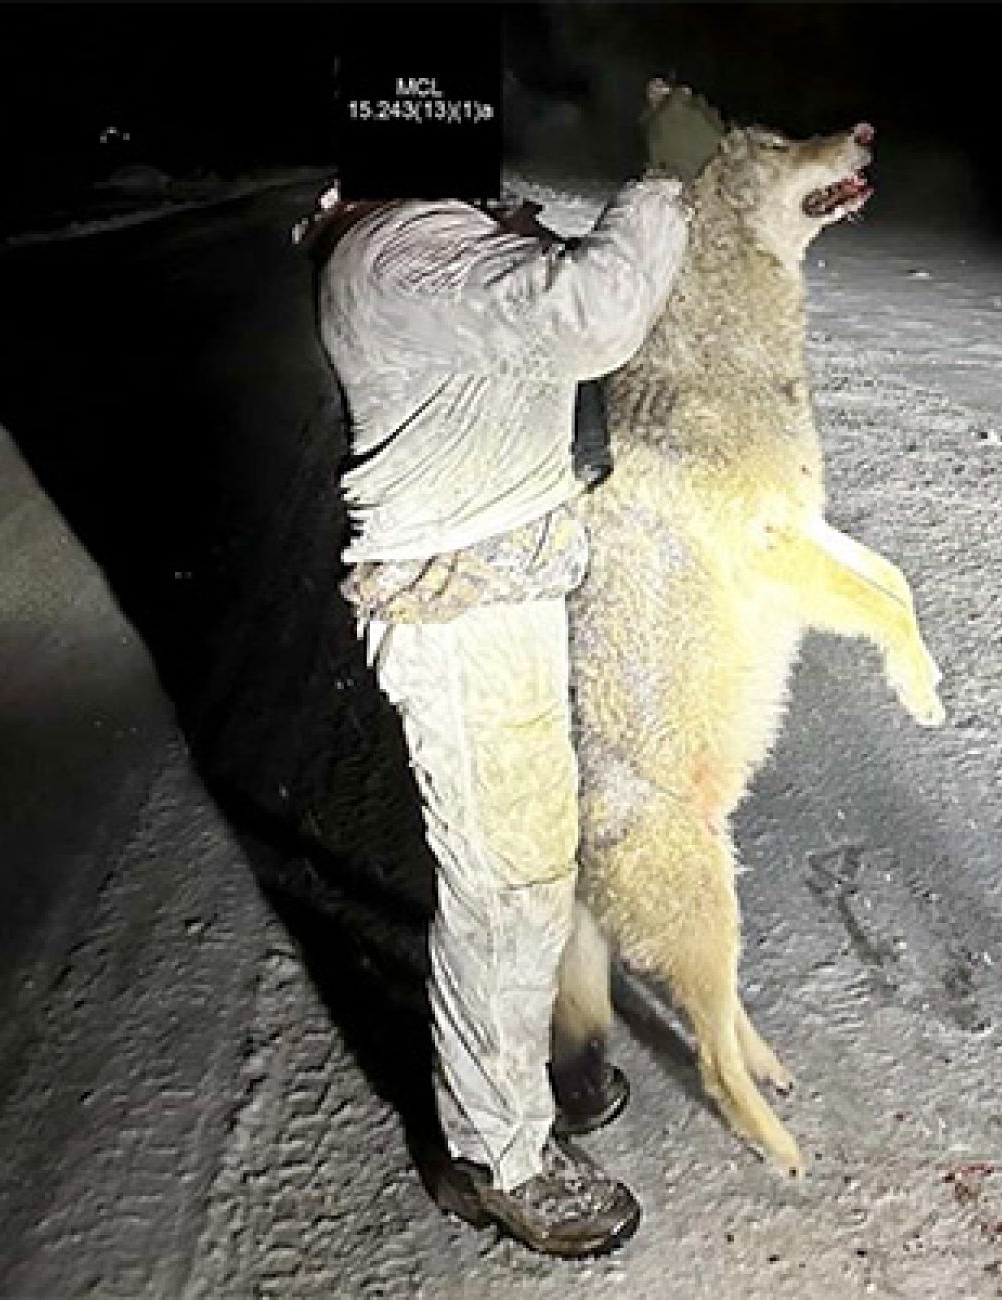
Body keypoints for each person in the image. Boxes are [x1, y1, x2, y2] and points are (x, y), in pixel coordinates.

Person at [295, 86, 725, 1257]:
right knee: (507, 880)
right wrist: (662, 184)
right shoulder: (405, 250)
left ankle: (514, 1068)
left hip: (500, 586)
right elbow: (590, 314)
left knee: (527, 862)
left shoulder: (436, 230)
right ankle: (496, 1152)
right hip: (461, 613)